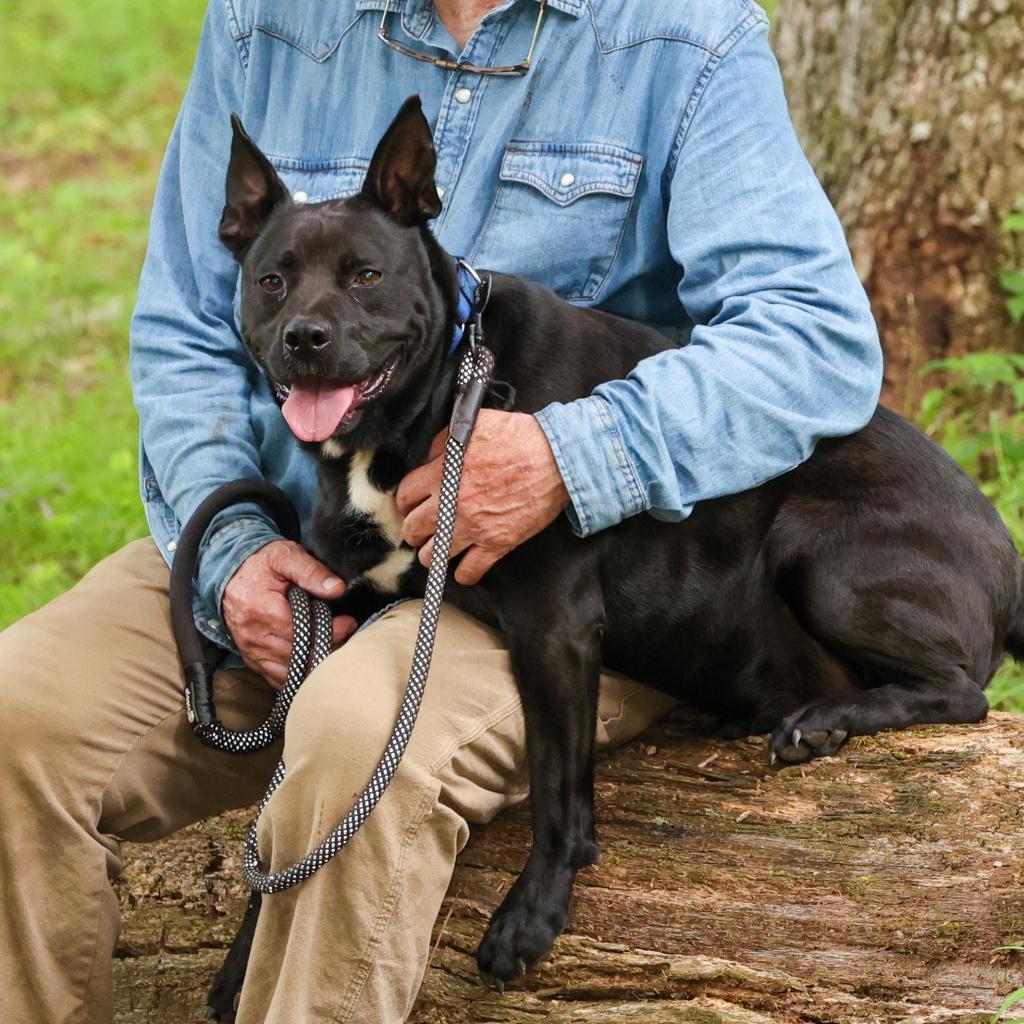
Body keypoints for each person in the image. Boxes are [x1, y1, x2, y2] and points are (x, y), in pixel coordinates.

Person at [0, 0, 883, 1021]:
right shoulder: (263, 20)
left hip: (540, 586)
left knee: (350, 732)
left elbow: (812, 336)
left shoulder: (684, 36)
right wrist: (232, 551)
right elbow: (185, 327)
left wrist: (568, 451)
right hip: (299, 539)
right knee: (19, 714)